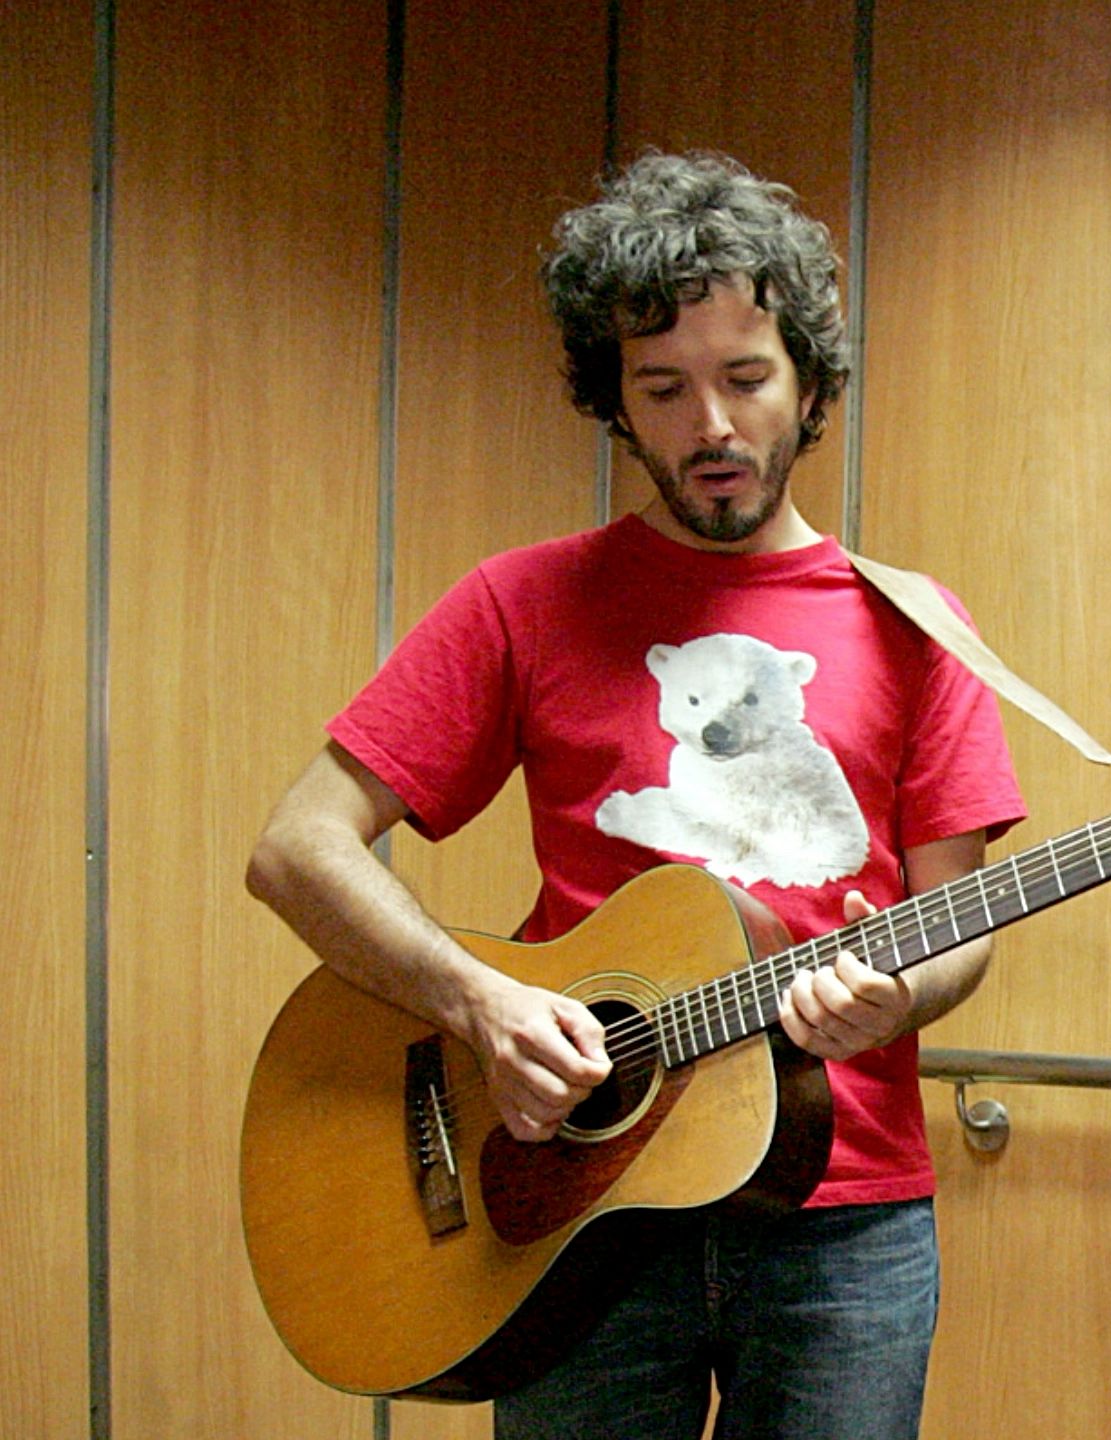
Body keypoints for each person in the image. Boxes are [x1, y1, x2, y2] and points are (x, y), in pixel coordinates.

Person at [244, 151, 1025, 1439]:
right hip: (574, 1202)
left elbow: (965, 919)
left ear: (812, 384)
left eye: (746, 378)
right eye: (663, 387)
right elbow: (297, 848)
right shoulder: (522, 602)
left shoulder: (915, 624)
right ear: (612, 397)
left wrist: (900, 992)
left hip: (845, 1219)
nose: (710, 426)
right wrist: (481, 1002)